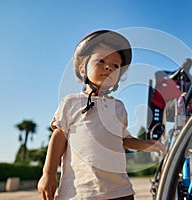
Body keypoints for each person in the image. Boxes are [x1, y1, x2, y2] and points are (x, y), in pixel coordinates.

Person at [37, 30, 166, 200]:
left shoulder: (119, 107)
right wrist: (48, 173)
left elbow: (123, 139)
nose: (109, 67)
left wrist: (145, 145)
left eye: (115, 66)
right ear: (83, 69)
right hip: (81, 192)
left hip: (120, 192)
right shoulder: (71, 102)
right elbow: (59, 135)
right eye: (101, 61)